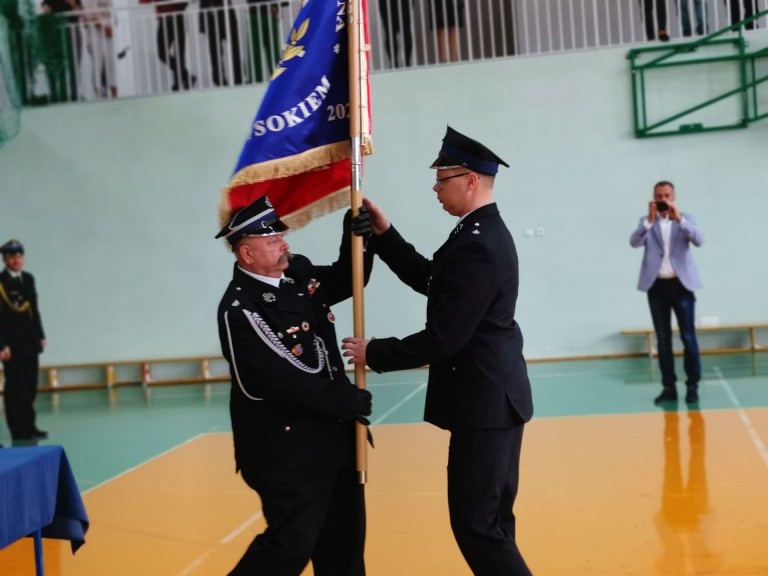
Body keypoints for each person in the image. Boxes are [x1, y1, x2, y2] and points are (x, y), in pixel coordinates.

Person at [342, 126, 534, 575]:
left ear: (470, 180)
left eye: (442, 179)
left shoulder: (478, 244)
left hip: (486, 405)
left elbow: (445, 338)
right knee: (491, 524)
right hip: (493, 401)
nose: (435, 187)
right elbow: (433, 281)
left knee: (477, 524)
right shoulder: (476, 234)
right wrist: (386, 236)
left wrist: (376, 352)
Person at [215, 195, 374, 575]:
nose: (284, 244)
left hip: (335, 440)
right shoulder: (240, 307)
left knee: (344, 549)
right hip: (286, 451)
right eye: (272, 241)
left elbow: (346, 279)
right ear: (246, 254)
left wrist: (357, 238)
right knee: (289, 546)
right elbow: (270, 378)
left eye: (281, 237)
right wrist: (341, 399)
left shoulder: (297, 274)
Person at [629, 181, 704, 404]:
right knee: (663, 340)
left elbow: (699, 240)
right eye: (659, 196)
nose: (663, 199)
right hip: (657, 286)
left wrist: (679, 217)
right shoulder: (646, 222)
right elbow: (633, 242)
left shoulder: (686, 218)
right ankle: (668, 386)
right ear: (653, 198)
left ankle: (692, 385)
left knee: (688, 337)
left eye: (667, 195)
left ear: (673, 196)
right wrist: (649, 221)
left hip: (682, 285)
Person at [0, 239, 47, 441]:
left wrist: (40, 335)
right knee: (15, 388)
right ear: (5, 260)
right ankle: (17, 429)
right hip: (11, 344)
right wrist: (1, 344)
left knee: (30, 385)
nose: (16, 260)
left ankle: (30, 425)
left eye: (19, 256)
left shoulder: (28, 279)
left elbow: (34, 311)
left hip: (29, 340)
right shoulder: (1, 282)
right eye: (12, 257)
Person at [139, 0, 194, 91]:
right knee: (163, 53)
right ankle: (185, 76)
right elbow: (143, 1)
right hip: (166, 18)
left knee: (179, 52)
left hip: (176, 15)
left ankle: (181, 81)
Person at [199, 0, 243, 87]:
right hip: (211, 16)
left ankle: (238, 79)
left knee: (234, 48)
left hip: (226, 13)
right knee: (215, 50)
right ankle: (218, 78)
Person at [81, 0, 117, 98]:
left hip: (108, 34)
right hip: (94, 35)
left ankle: (115, 97)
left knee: (111, 65)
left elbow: (113, 14)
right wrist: (102, 27)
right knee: (98, 65)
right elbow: (87, 17)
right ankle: (99, 96)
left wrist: (112, 26)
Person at [246, 0, 281, 83]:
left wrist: (274, 5)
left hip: (266, 12)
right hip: (256, 12)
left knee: (272, 50)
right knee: (256, 50)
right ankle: (256, 79)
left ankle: (277, 77)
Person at [379, 0, 413, 68]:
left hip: (403, 3)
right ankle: (394, 63)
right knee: (390, 32)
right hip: (386, 3)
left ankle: (406, 62)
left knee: (405, 31)